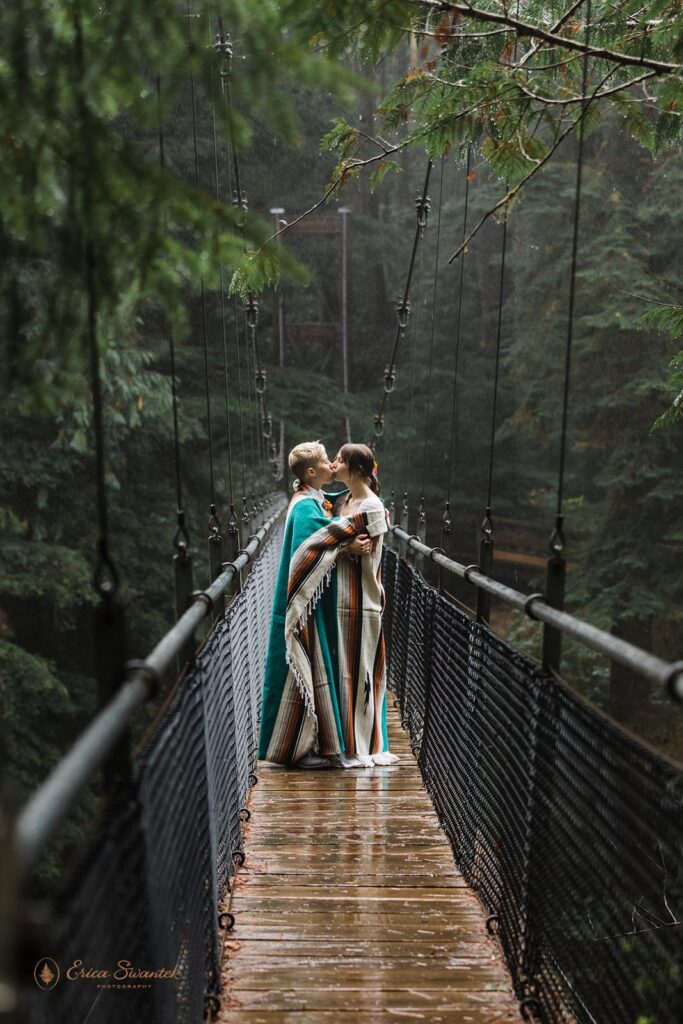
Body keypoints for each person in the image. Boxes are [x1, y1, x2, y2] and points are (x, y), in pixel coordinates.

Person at [258, 441, 370, 769]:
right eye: (325, 460)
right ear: (311, 472)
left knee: (312, 665)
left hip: (312, 603)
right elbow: (316, 540)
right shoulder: (304, 507)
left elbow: (333, 510)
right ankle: (298, 748)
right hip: (302, 606)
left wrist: (366, 504)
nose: (331, 464)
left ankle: (313, 743)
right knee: (304, 665)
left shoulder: (312, 499)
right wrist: (352, 538)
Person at [328, 443, 399, 768]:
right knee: (344, 672)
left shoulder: (371, 507)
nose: (333, 464)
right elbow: (338, 539)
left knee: (362, 674)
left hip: (364, 601)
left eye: (339, 460)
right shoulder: (343, 501)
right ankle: (348, 743)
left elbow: (359, 548)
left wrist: (339, 545)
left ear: (356, 469)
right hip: (340, 598)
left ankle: (363, 746)